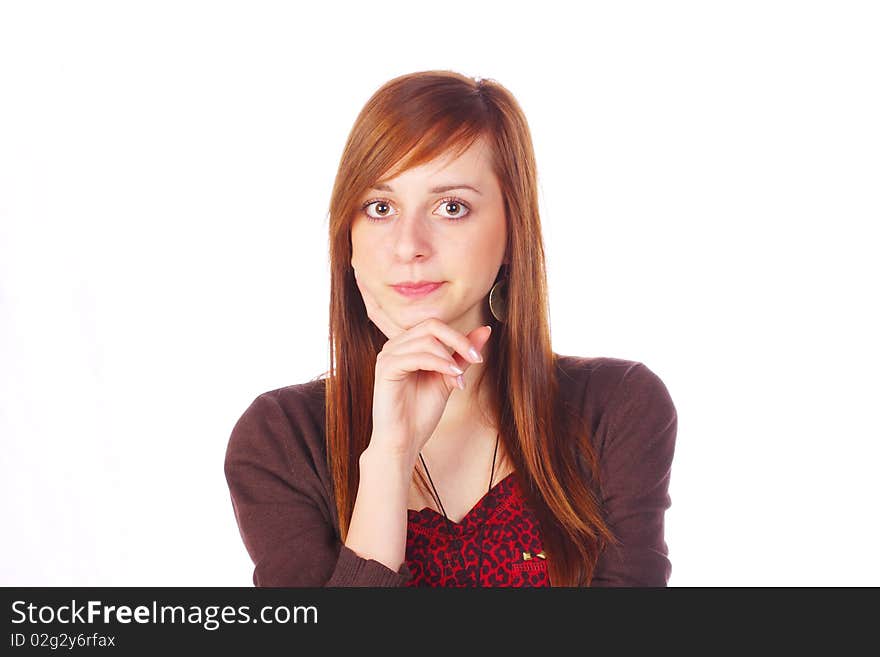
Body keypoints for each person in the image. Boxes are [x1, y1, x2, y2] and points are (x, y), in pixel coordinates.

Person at [224, 70, 677, 587]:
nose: (407, 245)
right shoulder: (281, 438)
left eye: (451, 207)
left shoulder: (616, 408)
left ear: (512, 233)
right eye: (380, 208)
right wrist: (389, 458)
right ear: (347, 237)